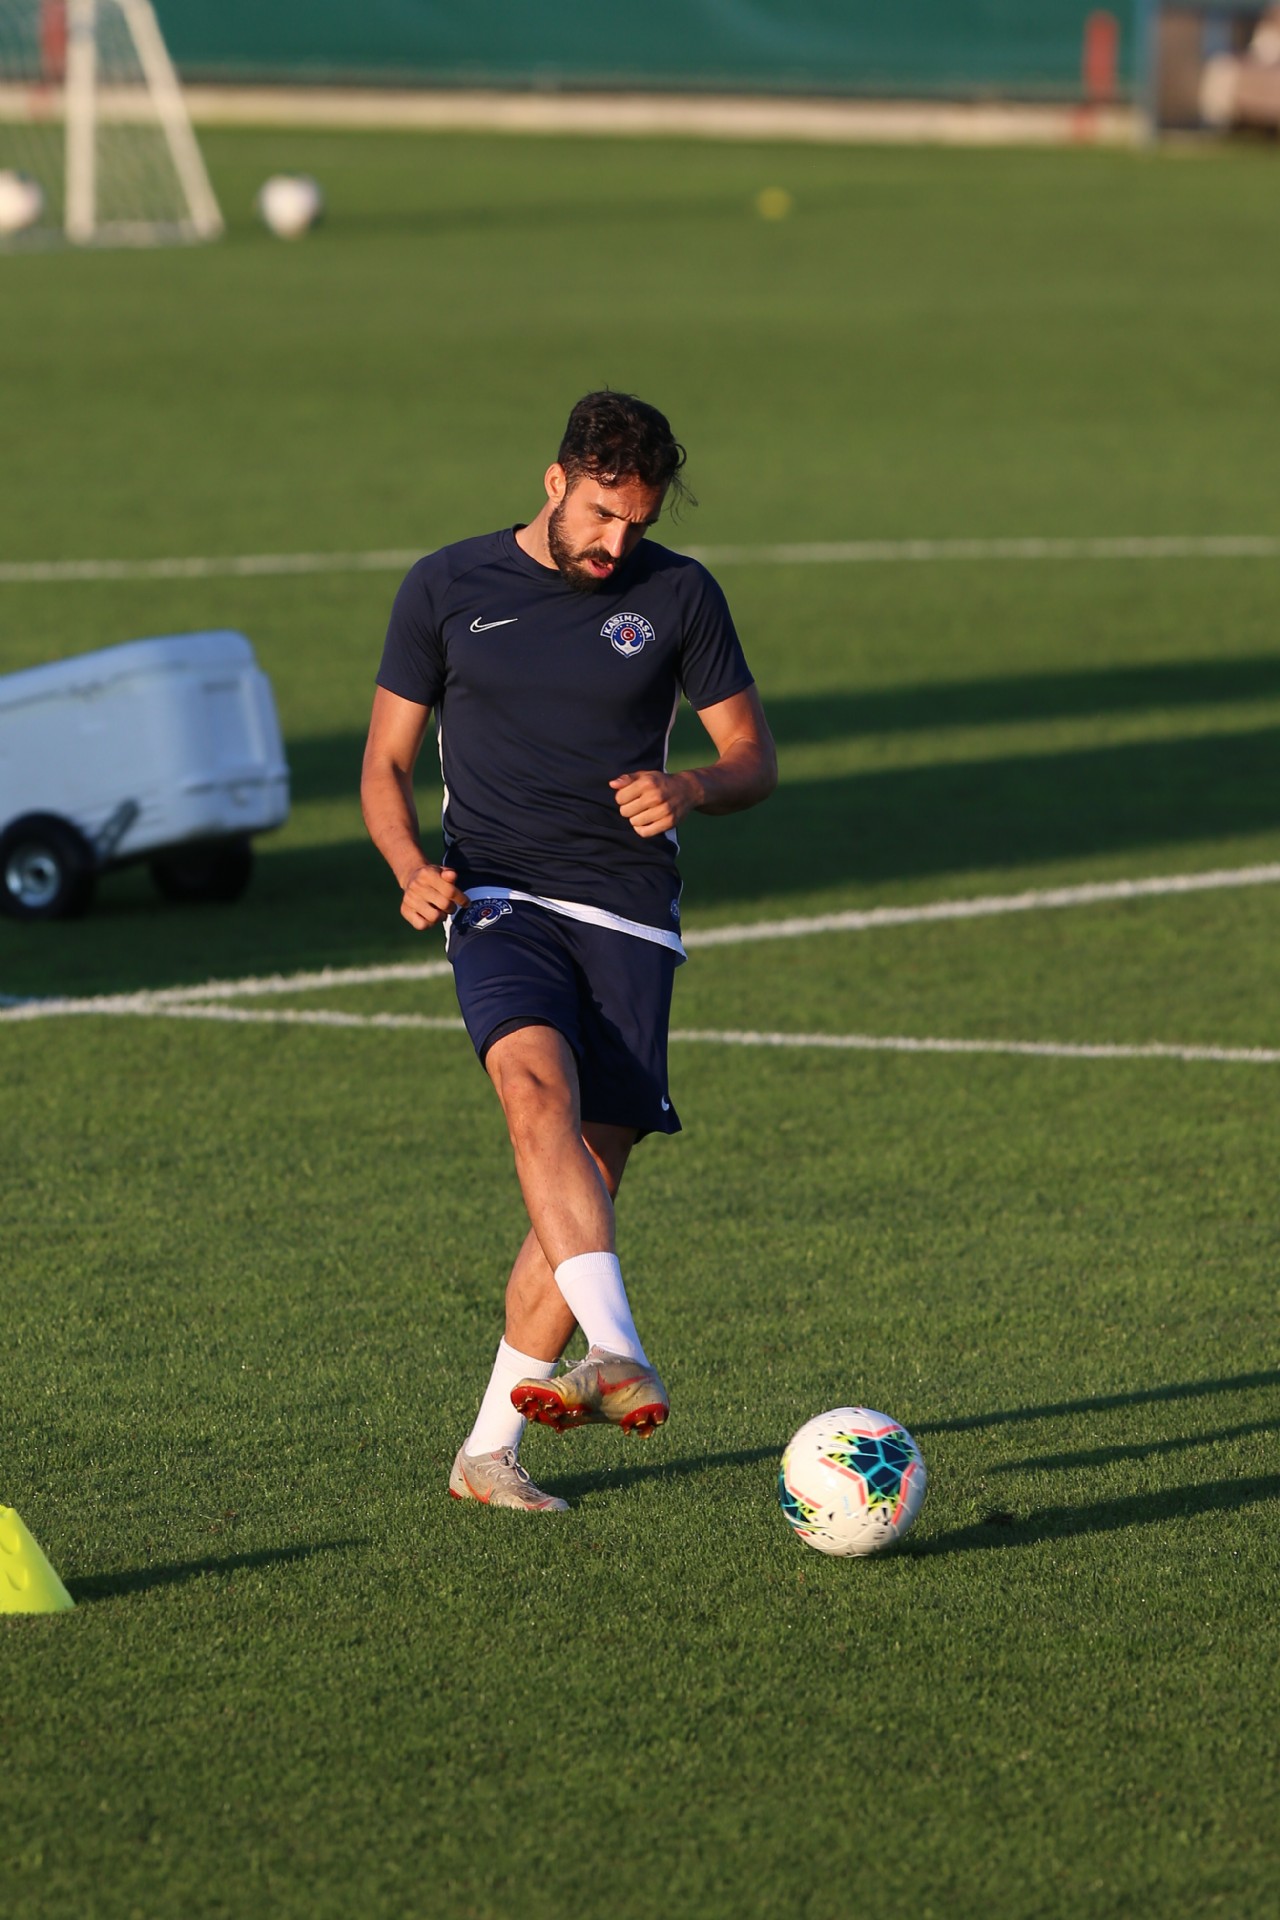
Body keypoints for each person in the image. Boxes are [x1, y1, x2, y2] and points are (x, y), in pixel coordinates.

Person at [361, 391, 776, 1513]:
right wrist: (409, 866)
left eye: (637, 522)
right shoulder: (446, 585)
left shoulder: (679, 594)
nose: (615, 543)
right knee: (531, 1088)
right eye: (600, 513)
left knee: (584, 1185)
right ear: (554, 482)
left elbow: (752, 755)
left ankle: (486, 1455)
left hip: (628, 917)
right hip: (497, 895)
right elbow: (385, 763)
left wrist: (690, 787)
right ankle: (618, 1352)